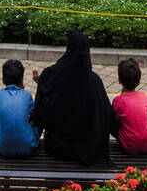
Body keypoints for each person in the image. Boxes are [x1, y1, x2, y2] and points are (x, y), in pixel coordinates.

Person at [31, 30, 113, 166]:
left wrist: (42, 85)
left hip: (58, 149)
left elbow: (41, 116)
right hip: (88, 150)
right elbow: (107, 116)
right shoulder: (94, 81)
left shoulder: (50, 75)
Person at [0, 59, 40, 157]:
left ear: (3, 80)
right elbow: (35, 112)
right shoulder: (27, 94)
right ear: (22, 80)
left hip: (2, 148)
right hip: (29, 148)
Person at [111, 58, 147, 155]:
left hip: (128, 147)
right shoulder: (144, 97)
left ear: (119, 80)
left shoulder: (117, 101)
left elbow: (116, 121)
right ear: (139, 82)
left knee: (112, 123)